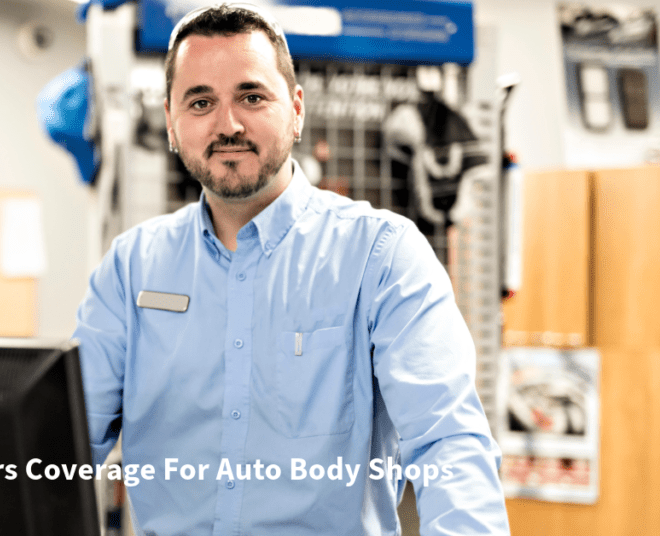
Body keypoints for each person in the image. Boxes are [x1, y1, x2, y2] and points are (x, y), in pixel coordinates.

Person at [72, 3, 510, 534]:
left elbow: (448, 442)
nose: (227, 123)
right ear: (171, 121)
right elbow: (61, 446)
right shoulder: (131, 269)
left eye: (251, 97)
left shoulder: (382, 256)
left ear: (297, 109)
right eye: (200, 101)